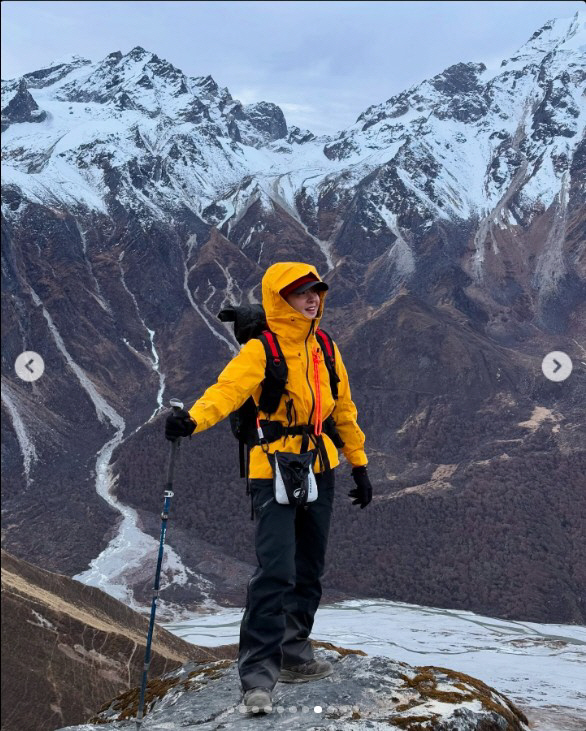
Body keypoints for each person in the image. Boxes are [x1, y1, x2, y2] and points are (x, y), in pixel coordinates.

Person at [165, 261, 372, 713]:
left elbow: (343, 410)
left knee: (309, 567)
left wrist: (358, 465)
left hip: (319, 465)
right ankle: (258, 677)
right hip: (272, 466)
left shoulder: (325, 348)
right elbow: (227, 391)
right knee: (275, 571)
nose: (312, 299)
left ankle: (294, 653)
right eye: (301, 293)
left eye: (316, 291)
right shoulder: (263, 350)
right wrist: (193, 420)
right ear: (280, 299)